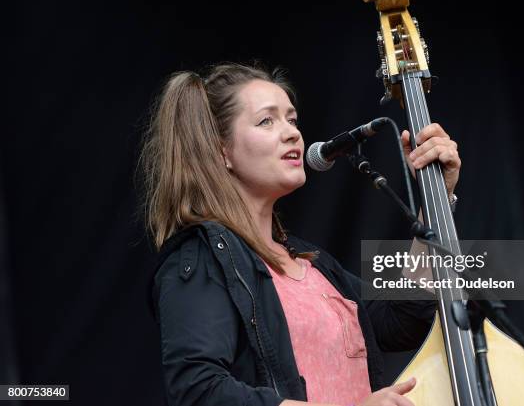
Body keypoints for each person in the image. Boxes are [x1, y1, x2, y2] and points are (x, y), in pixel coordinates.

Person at [141, 62, 461, 406]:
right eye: (267, 120)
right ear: (222, 151)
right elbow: (199, 391)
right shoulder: (200, 256)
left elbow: (403, 321)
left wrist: (436, 198)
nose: (293, 133)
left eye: (292, 120)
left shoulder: (313, 265)